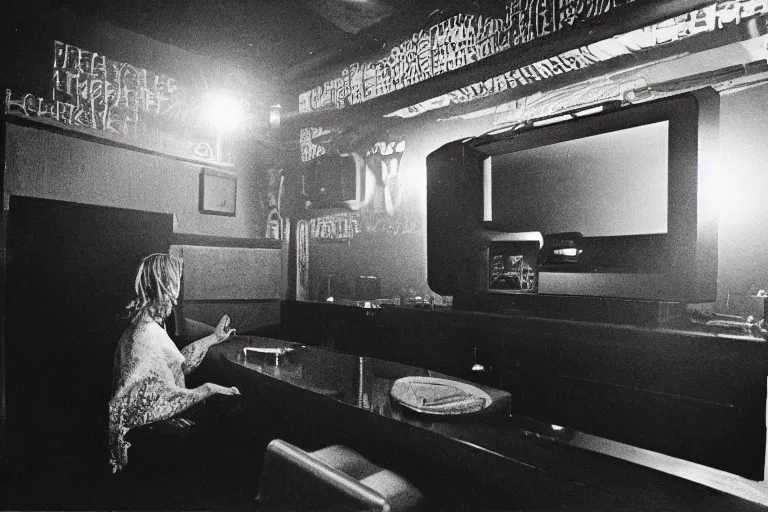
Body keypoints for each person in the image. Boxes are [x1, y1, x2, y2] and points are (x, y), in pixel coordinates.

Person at [108, 253, 241, 474]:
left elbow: (177, 365)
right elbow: (153, 406)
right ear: (160, 288)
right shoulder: (146, 333)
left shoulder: (146, 324)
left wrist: (214, 338)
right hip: (140, 433)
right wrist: (209, 390)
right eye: (171, 292)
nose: (175, 300)